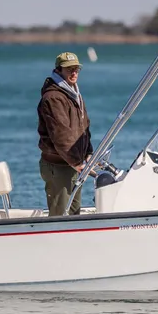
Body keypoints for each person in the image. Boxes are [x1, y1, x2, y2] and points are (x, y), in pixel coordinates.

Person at [37, 52, 93, 216]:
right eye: (69, 69)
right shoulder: (53, 97)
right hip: (58, 166)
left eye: (76, 69)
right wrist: (76, 162)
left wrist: (88, 152)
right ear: (58, 70)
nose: (74, 72)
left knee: (73, 214)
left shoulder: (74, 94)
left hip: (72, 164)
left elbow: (84, 126)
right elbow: (61, 134)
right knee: (60, 217)